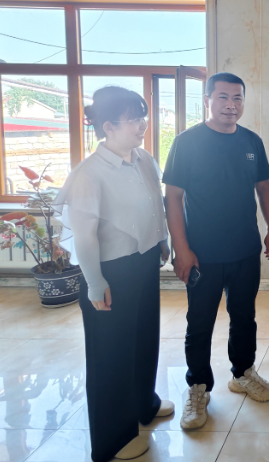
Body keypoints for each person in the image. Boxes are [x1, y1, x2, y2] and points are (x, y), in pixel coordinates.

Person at [54, 86, 173, 461]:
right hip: (109, 271)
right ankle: (113, 440)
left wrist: (162, 240)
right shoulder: (89, 174)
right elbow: (84, 235)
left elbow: (155, 205)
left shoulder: (143, 159)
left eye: (143, 117)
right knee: (110, 355)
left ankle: (143, 403)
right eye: (134, 119)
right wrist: (95, 282)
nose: (142, 125)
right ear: (108, 126)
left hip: (144, 261)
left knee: (144, 338)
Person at [163, 72, 269, 430]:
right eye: (223, 97)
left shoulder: (252, 141)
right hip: (202, 254)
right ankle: (198, 387)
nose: (231, 105)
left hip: (245, 250)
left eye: (237, 98)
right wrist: (182, 249)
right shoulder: (187, 142)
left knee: (244, 316)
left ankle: (242, 373)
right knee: (199, 322)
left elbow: (263, 187)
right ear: (207, 101)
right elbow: (173, 198)